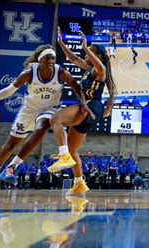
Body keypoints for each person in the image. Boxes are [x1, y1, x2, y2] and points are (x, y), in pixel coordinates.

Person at [0, 44, 89, 196]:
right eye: (47, 57)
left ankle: (12, 167)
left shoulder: (61, 72)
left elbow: (77, 87)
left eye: (53, 58)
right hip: (29, 110)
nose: (51, 60)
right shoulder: (29, 73)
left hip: (50, 109)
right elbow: (9, 90)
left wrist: (83, 102)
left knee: (42, 127)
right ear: (40, 60)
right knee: (10, 145)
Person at [47, 28, 117, 195]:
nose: (85, 56)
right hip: (92, 113)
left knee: (56, 120)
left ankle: (63, 156)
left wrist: (86, 47)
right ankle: (79, 183)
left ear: (97, 56)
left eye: (89, 53)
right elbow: (73, 58)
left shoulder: (99, 71)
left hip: (91, 107)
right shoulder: (88, 67)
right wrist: (61, 44)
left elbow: (100, 65)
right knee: (73, 151)